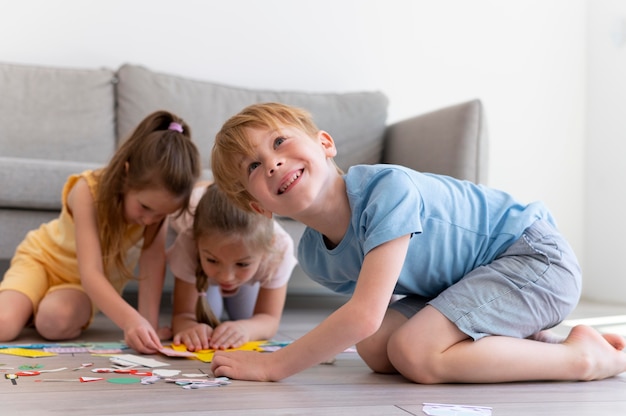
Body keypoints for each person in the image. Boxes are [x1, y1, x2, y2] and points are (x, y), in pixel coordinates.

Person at [207, 102, 626, 384]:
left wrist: (274, 365)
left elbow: (364, 313)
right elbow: (369, 326)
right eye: (254, 166)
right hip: (472, 282)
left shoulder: (387, 190)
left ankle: (585, 360)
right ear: (257, 206)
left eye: (279, 142)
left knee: (415, 351)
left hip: (534, 259)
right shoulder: (317, 258)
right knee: (375, 350)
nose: (274, 162)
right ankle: (528, 344)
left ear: (325, 143)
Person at [0, 110, 201, 354]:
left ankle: (32, 308)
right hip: (41, 260)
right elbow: (91, 272)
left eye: (160, 215)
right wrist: (130, 319)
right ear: (127, 174)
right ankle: (25, 305)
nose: (149, 220)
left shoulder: (155, 212)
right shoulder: (88, 189)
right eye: (145, 207)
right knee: (4, 325)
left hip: (78, 287)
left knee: (53, 322)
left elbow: (153, 263)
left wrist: (148, 323)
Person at [167, 182, 297, 351]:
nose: (226, 277)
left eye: (242, 264)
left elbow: (269, 318)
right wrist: (189, 328)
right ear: (196, 244)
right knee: (206, 319)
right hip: (197, 210)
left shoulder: (279, 247)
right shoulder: (187, 241)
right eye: (213, 260)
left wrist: (246, 328)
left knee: (245, 317)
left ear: (266, 249)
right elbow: (182, 315)